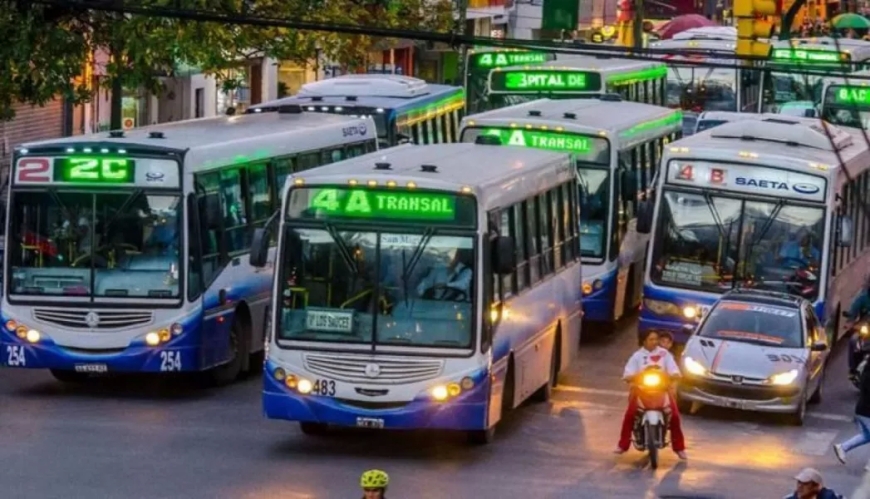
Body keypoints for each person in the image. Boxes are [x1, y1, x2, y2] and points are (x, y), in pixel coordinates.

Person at [615, 330, 687, 459]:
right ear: (644, 341)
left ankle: (679, 447)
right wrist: (634, 377)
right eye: (651, 339)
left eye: (655, 339)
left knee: (675, 416)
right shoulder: (637, 356)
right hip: (641, 391)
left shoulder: (664, 354)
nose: (654, 342)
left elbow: (674, 371)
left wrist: (674, 375)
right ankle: (623, 444)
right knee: (630, 415)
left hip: (662, 390)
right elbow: (627, 375)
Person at [833, 350, 870, 470]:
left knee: (866, 436)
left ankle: (843, 447)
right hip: (866, 411)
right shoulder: (868, 374)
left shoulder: (866, 371)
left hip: (862, 410)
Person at [846, 274, 870, 377]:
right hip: (865, 331)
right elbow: (852, 313)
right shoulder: (863, 299)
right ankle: (853, 369)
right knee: (853, 340)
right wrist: (850, 323)